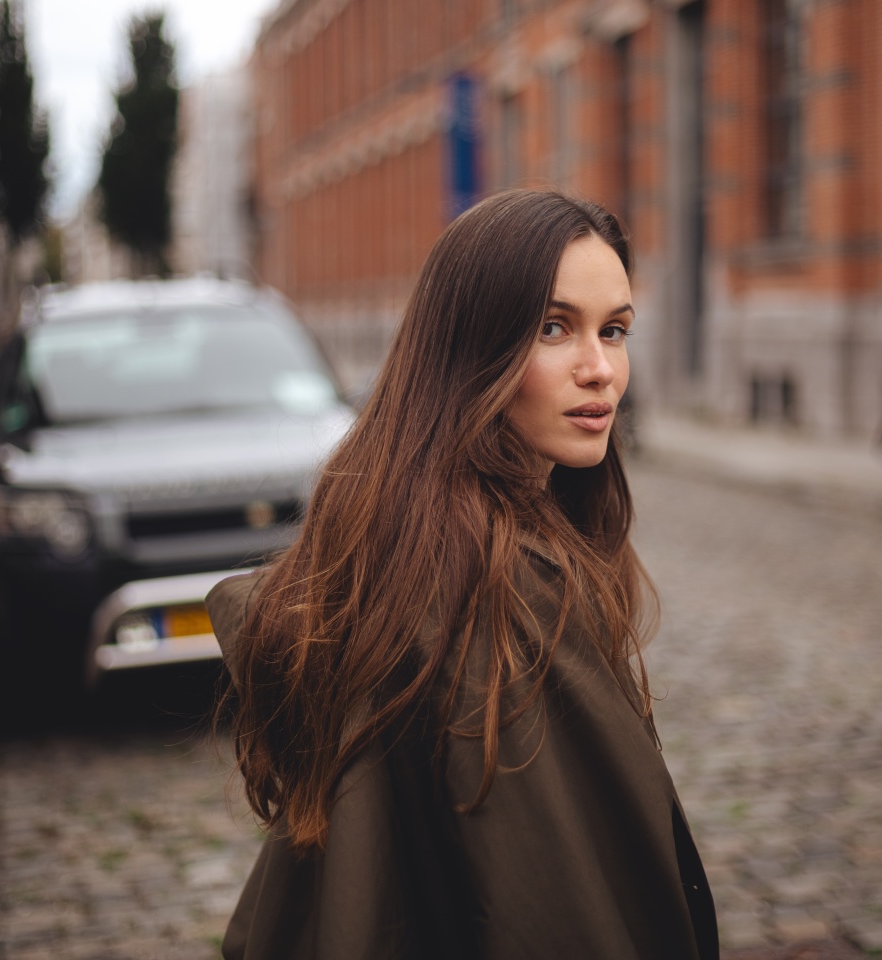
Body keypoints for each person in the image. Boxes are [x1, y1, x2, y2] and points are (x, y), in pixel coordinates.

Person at [207, 189, 719, 960]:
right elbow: (559, 911)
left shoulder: (405, 540)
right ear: (470, 349)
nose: (600, 369)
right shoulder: (497, 592)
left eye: (614, 331)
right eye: (554, 328)